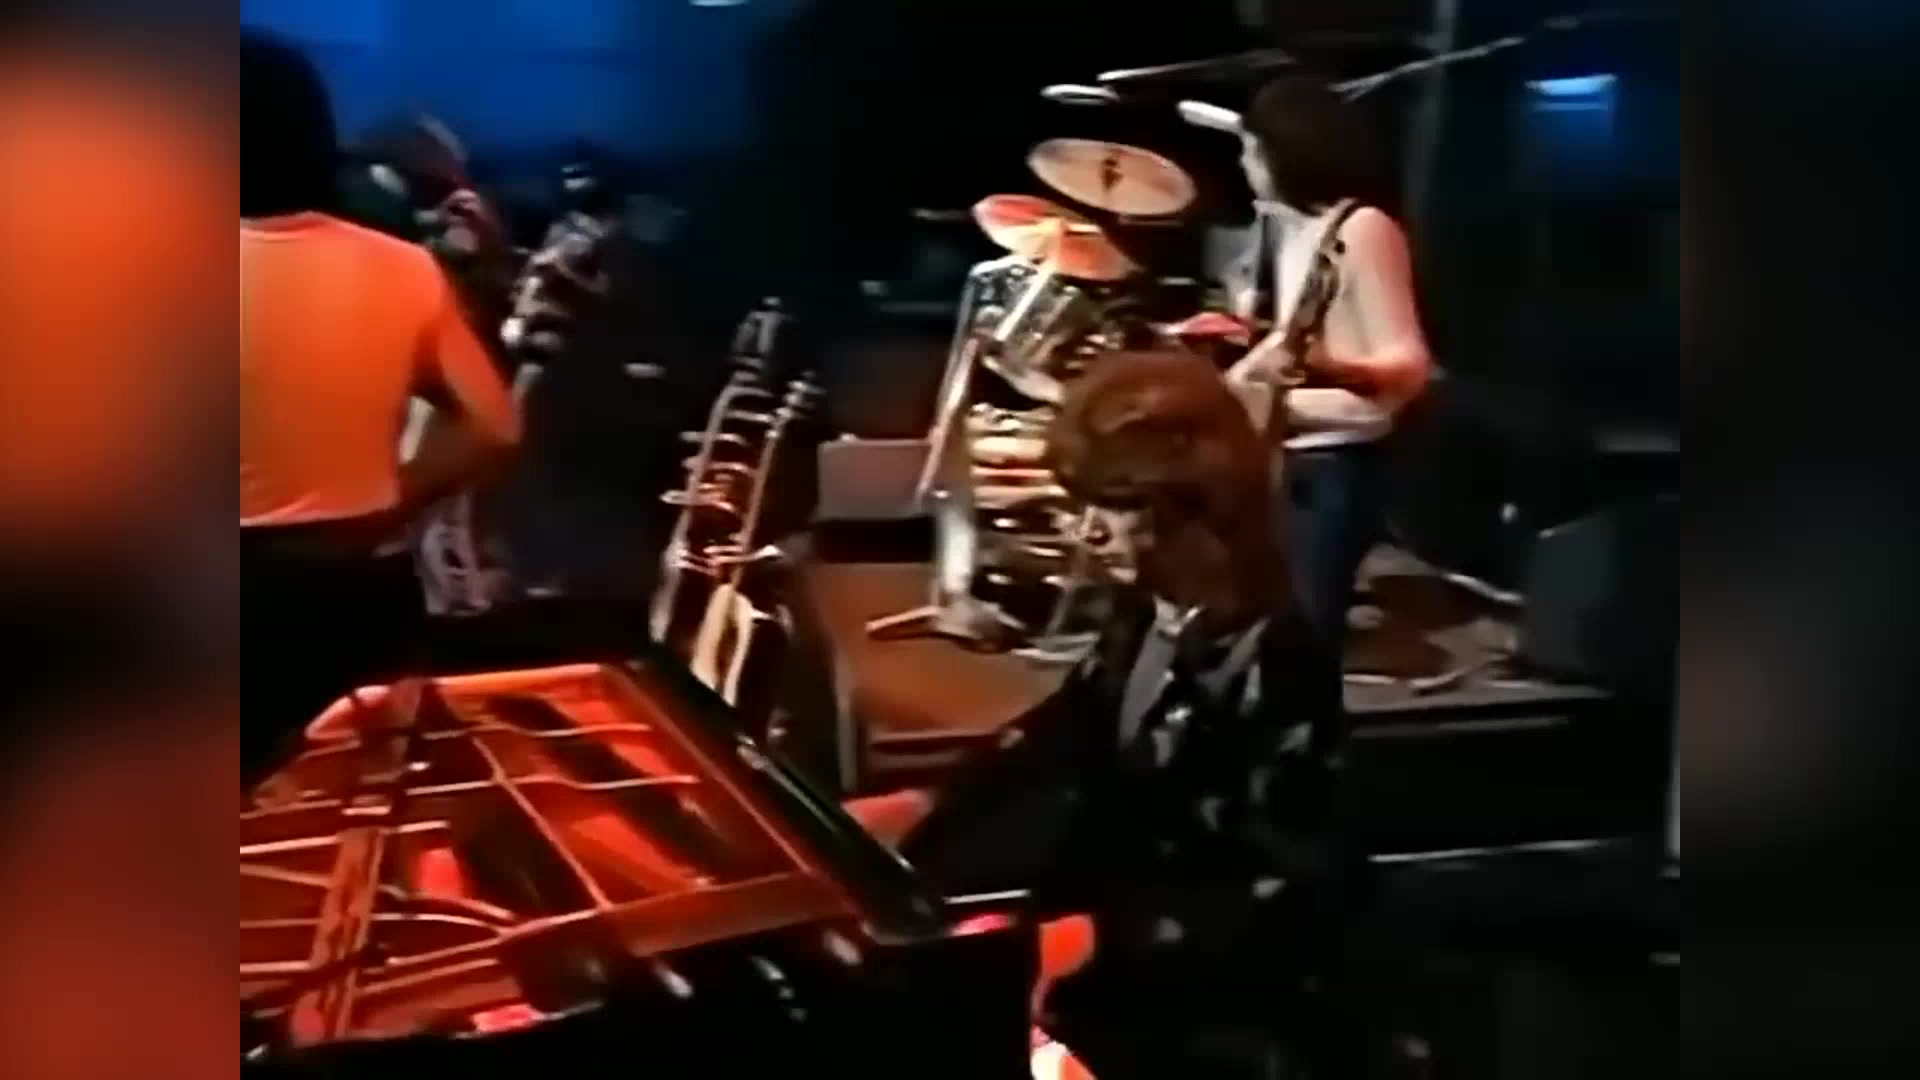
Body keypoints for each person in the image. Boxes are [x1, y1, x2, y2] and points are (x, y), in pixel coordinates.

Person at [867, 350, 1357, 1077]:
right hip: (1106, 982)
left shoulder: (1278, 660)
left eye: (1116, 508)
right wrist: (925, 805)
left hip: (1203, 1024)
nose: (1086, 532)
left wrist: (1097, 936)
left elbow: (1282, 891)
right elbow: (1067, 734)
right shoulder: (1144, 612)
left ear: (1199, 507)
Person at [239, 31, 521, 783]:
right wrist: (395, 501)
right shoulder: (404, 266)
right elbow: (494, 426)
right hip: (360, 594)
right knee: (356, 814)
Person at [1216, 74, 1434, 651]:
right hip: (1294, 456)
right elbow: (1287, 343)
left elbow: (1407, 366)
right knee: (1275, 632)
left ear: (1283, 152)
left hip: (1340, 464)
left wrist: (1329, 370)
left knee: (1308, 637)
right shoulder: (1300, 235)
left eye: (1251, 150)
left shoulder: (1364, 230)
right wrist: (1232, 386)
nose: (1243, 164)